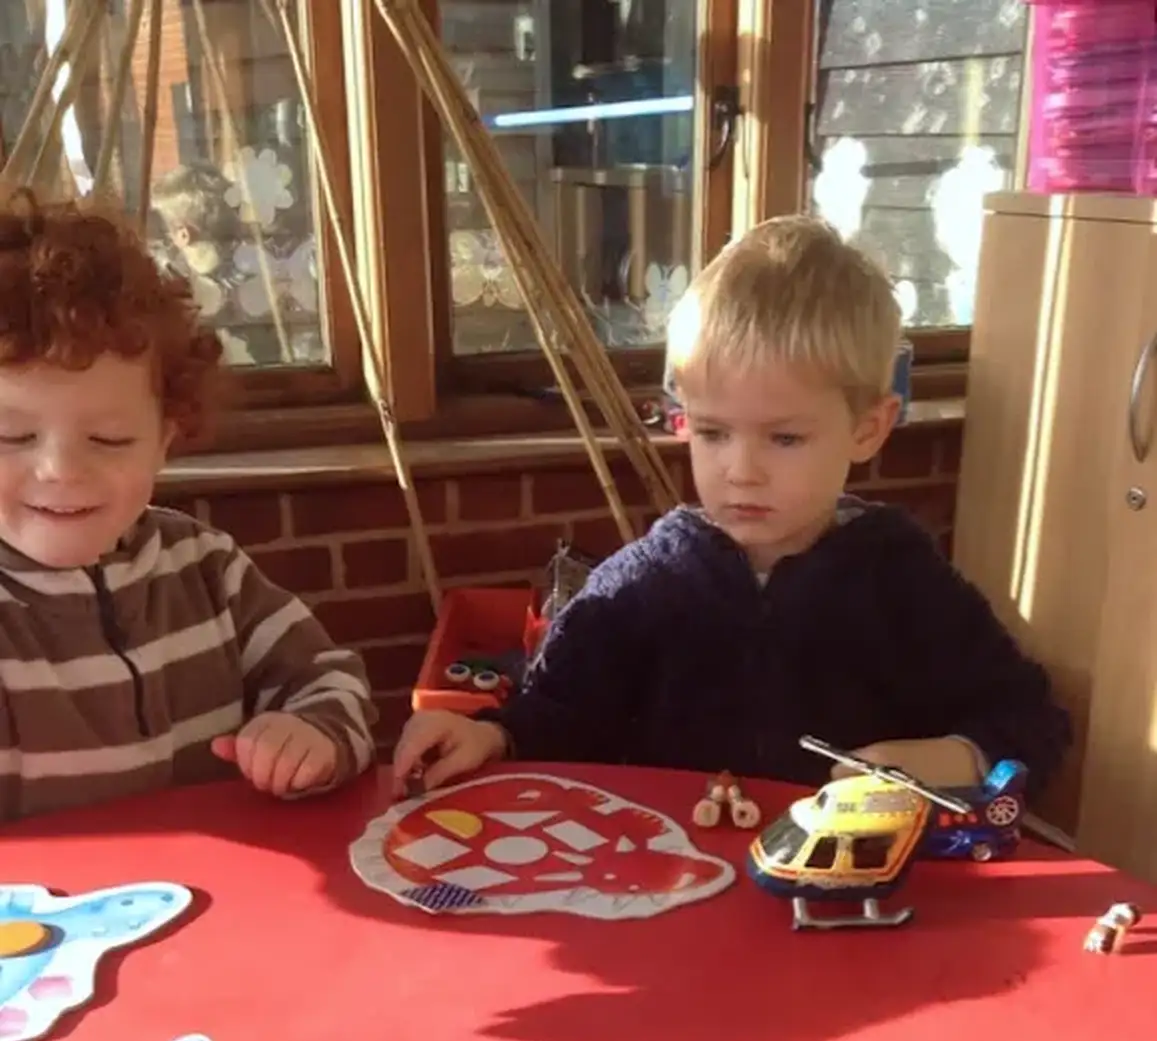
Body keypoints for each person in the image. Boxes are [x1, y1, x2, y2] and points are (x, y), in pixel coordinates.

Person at [393, 215, 1069, 798]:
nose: (739, 471)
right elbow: (555, 721)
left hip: (855, 904)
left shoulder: (903, 581)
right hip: (669, 897)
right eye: (712, 433)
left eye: (784, 437)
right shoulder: (639, 588)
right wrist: (490, 736)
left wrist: (947, 757)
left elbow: (1030, 722)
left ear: (868, 427)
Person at [0, 190, 375, 822]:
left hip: (223, 909)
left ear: (165, 440)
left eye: (109, 439)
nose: (61, 470)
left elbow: (329, 679)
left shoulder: (205, 568)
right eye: (11, 437)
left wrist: (313, 737)